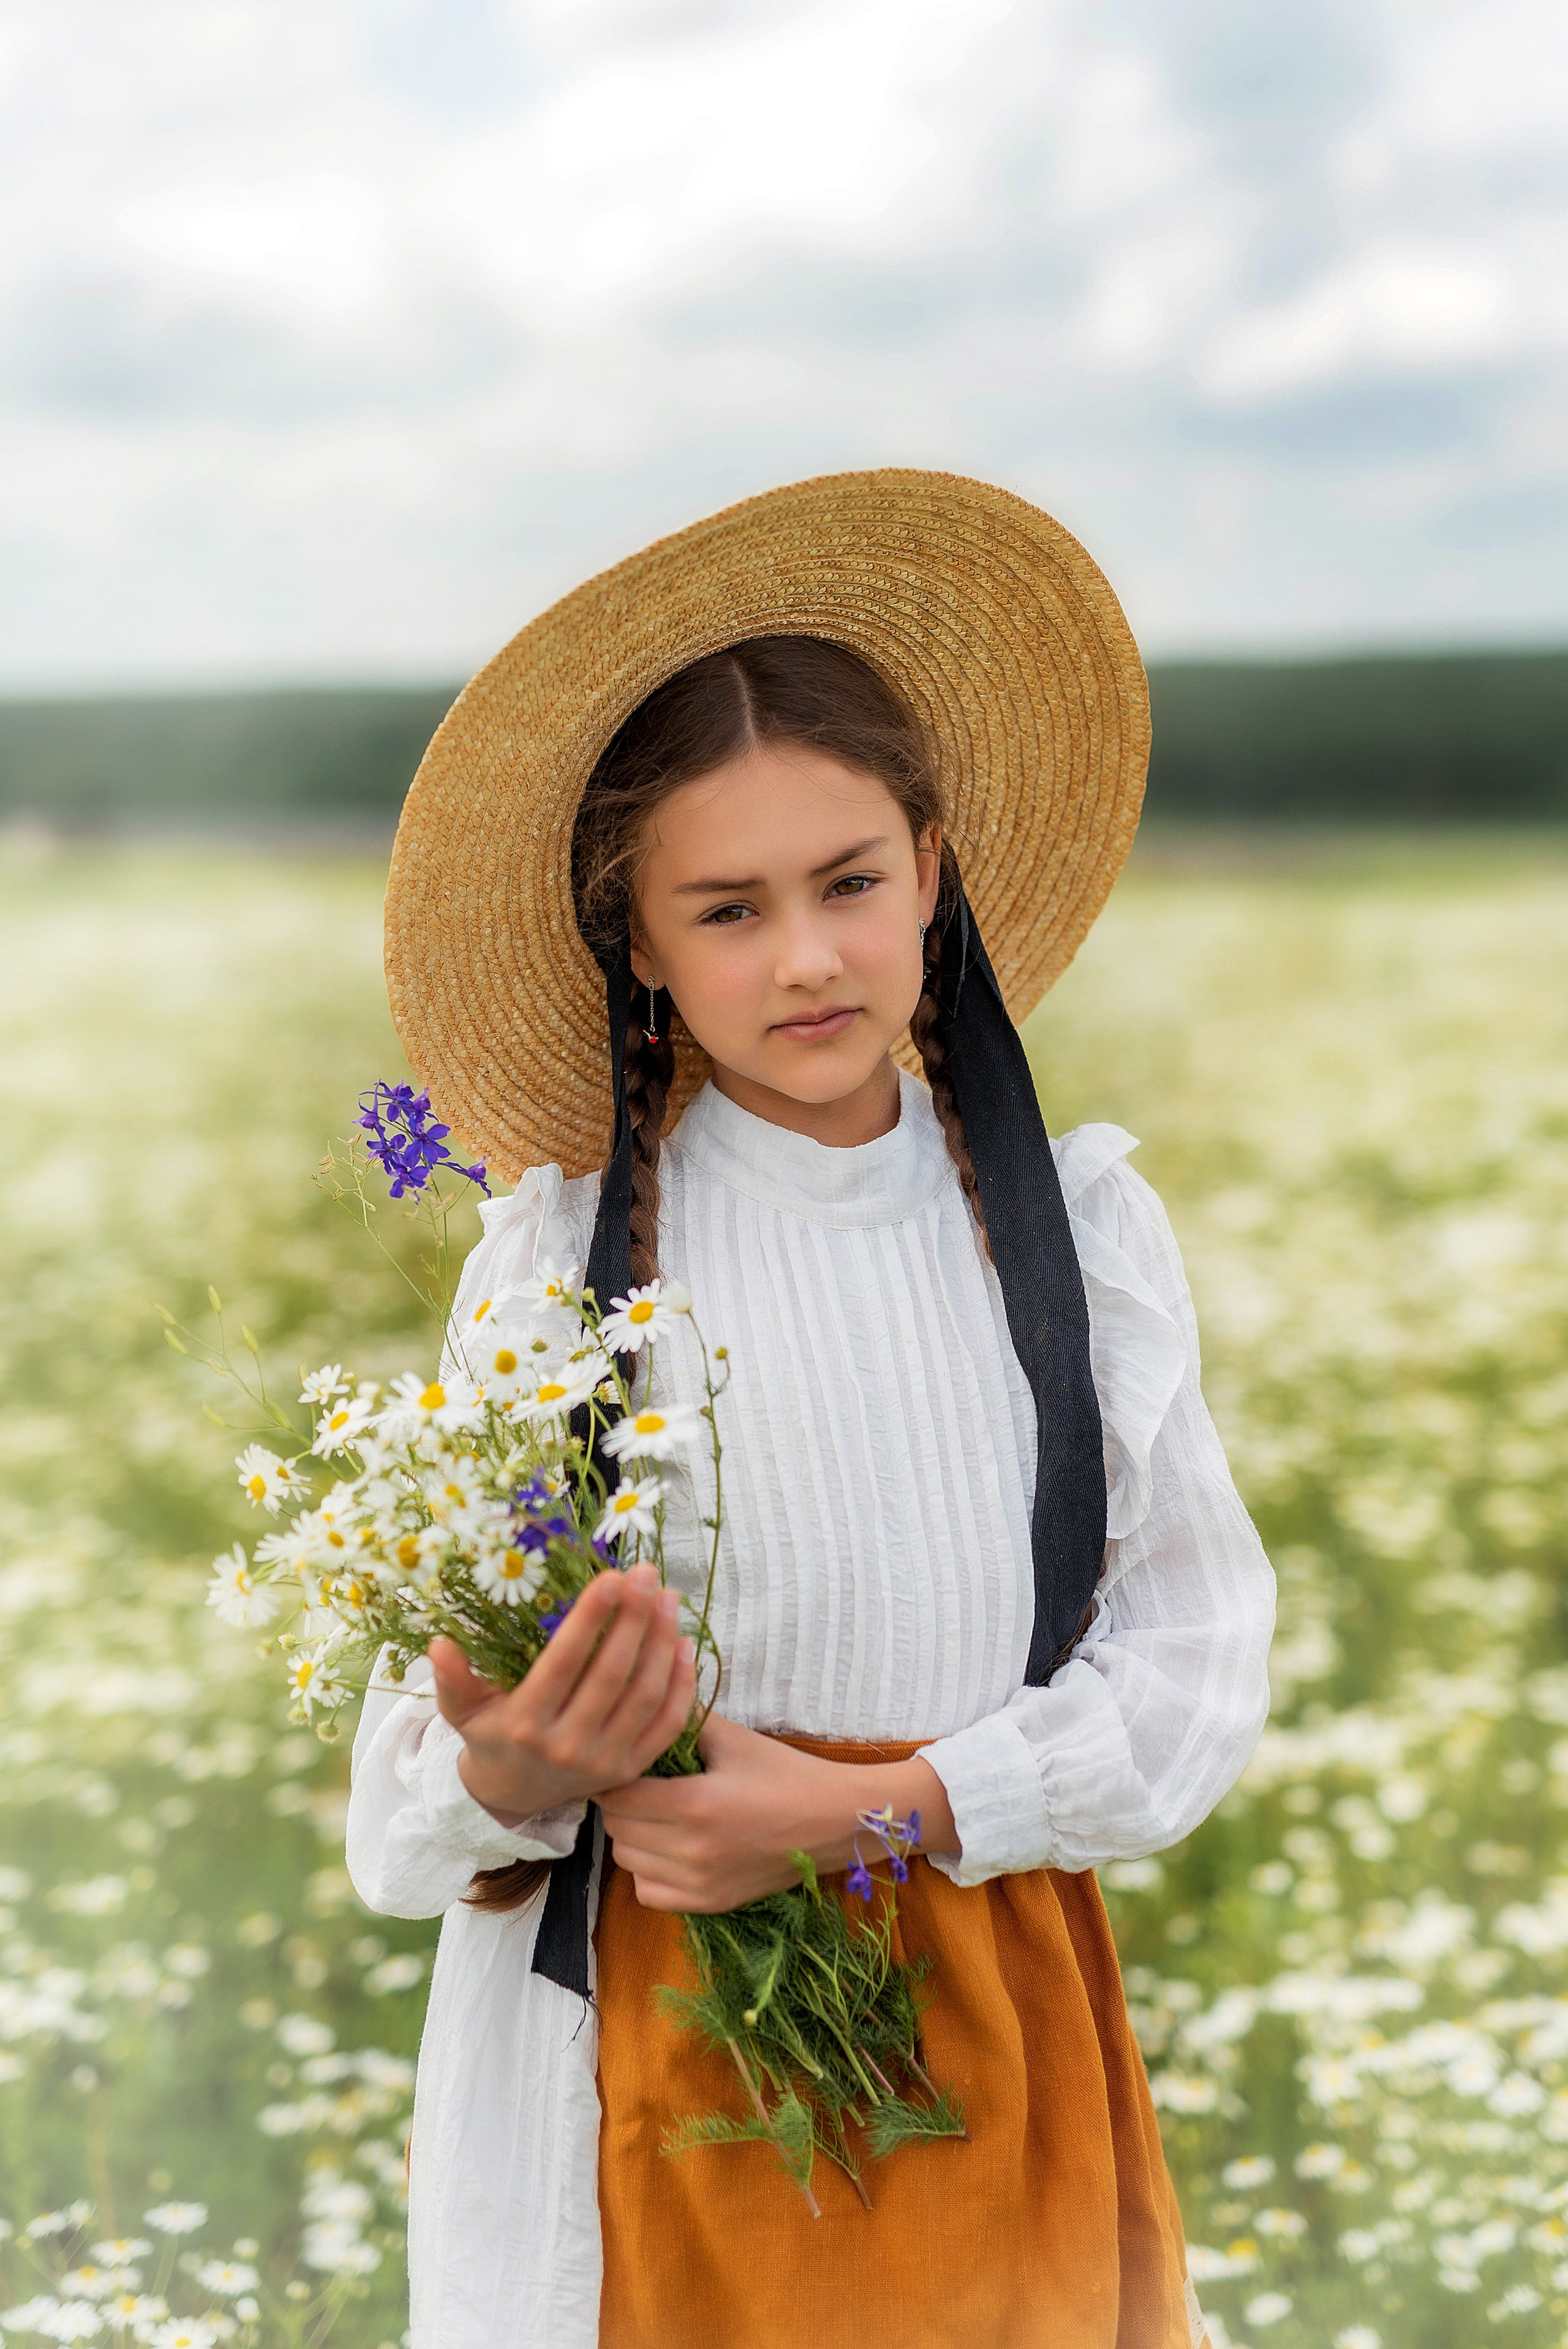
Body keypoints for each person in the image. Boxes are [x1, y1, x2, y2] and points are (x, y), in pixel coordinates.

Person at [347, 472, 1275, 2349]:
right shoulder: (556, 1265)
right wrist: (512, 1768)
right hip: (632, 2041)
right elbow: (395, 1815)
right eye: (727, 907)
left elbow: (1192, 1679)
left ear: (932, 870)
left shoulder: (1076, 1230)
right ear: (638, 940)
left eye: (851, 881)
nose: (807, 955)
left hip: (982, 2009)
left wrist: (875, 1815)